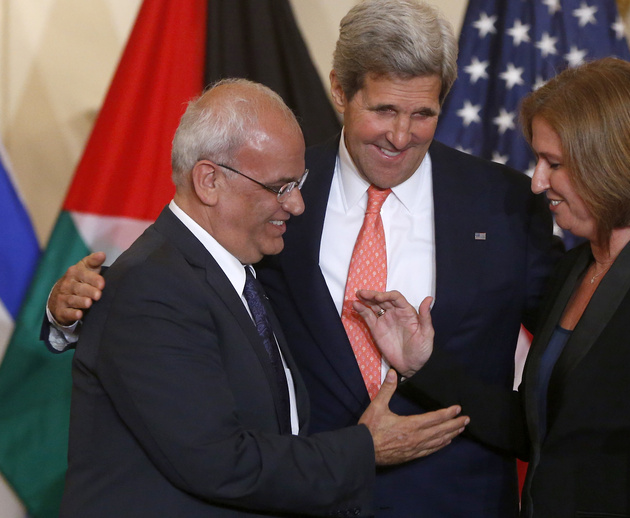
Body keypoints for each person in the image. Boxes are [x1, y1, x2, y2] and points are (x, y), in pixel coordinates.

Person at [45, 1, 561, 515]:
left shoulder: (507, 204)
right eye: (383, 110)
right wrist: (73, 305)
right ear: (340, 90)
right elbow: (187, 285)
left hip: (454, 502)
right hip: (299, 498)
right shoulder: (276, 190)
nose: (401, 136)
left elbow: (572, 345)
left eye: (422, 113)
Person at [353, 57, 630, 518]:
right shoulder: (577, 266)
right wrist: (424, 365)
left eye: (553, 163)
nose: (538, 183)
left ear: (613, 163)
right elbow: (540, 429)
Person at [59, 79, 469, 517]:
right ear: (209, 181)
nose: (296, 205)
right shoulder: (154, 290)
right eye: (279, 187)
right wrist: (366, 448)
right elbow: (220, 463)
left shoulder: (237, 274)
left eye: (299, 183)